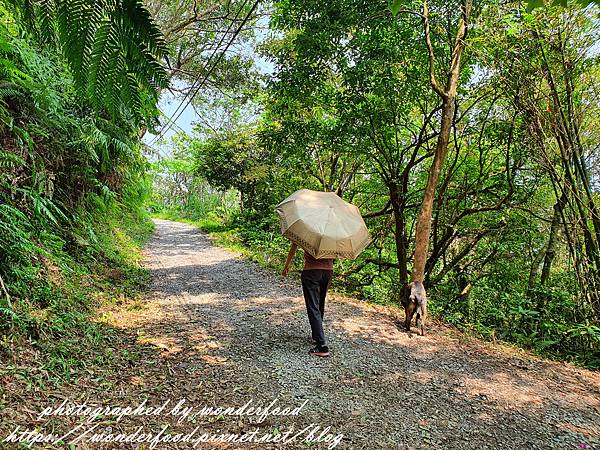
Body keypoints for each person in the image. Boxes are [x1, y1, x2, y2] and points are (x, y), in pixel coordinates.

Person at [282, 242, 333, 357]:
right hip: (328, 272)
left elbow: (294, 248)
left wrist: (286, 266)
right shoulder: (332, 233)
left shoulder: (306, 229)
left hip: (311, 272)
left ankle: (322, 346)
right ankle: (317, 336)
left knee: (313, 306)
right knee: (320, 304)